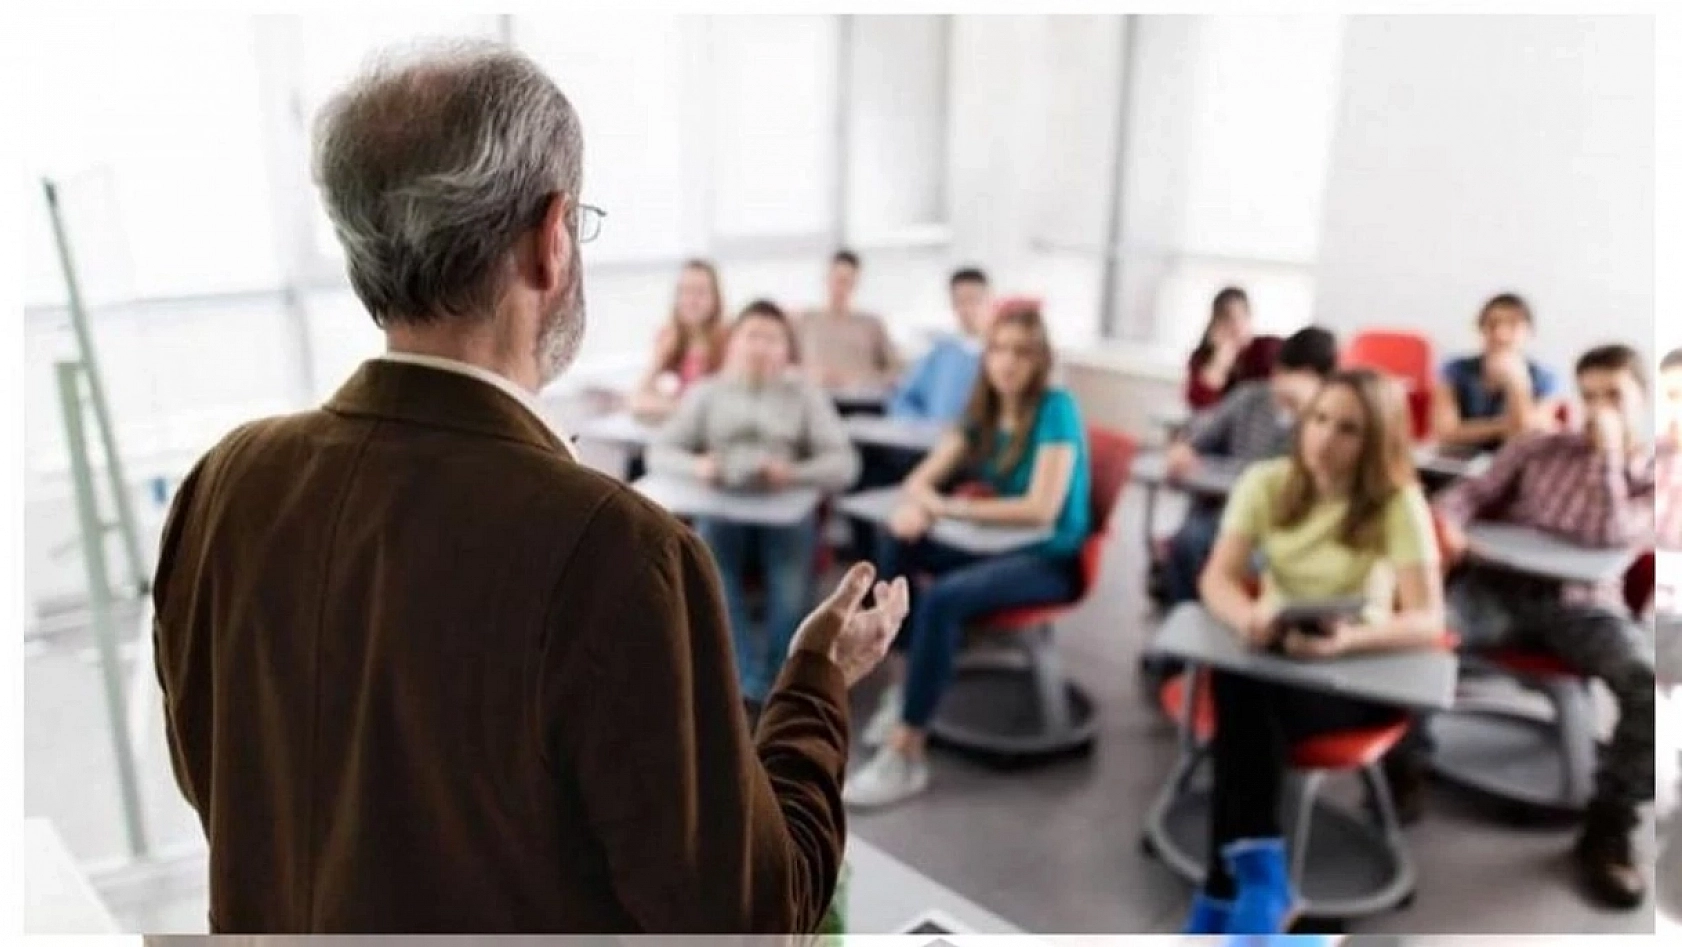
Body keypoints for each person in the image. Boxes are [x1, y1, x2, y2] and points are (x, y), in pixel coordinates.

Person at [150, 42, 910, 934]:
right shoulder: (618, 551)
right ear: (552, 239)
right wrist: (817, 680)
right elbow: (750, 920)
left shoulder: (223, 485)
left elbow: (225, 784)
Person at [1182, 370, 1445, 935]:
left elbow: (1429, 619)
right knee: (1241, 686)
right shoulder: (1265, 481)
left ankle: (1223, 893)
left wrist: (1346, 640)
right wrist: (1248, 616)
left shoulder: (1398, 501)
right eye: (1320, 420)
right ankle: (1259, 887)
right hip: (1277, 653)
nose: (1325, 438)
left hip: (1358, 672)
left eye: (1349, 429)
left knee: (1239, 707)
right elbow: (1216, 579)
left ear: (1375, 442)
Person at [1433, 343, 1656, 910]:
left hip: (1582, 606)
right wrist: (1450, 526)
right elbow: (1467, 493)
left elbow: (1612, 533)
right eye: (1589, 396)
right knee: (1418, 633)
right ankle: (1404, 768)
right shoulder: (1539, 446)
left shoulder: (1656, 473)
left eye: (1613, 396)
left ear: (1642, 400)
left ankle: (1608, 830)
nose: (1598, 408)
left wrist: (1608, 455)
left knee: (1645, 682)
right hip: (1498, 591)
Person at [842, 306, 1092, 808]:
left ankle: (906, 751)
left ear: (1040, 360)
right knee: (895, 538)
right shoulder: (982, 410)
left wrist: (947, 507)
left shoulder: (1056, 408)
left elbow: (1040, 508)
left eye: (1021, 352)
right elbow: (920, 479)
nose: (1008, 363)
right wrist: (919, 508)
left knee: (943, 600)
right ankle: (903, 687)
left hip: (1049, 560)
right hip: (990, 545)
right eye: (998, 350)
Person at [647, 300, 861, 706]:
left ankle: (785, 680)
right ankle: (747, 682)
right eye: (752, 336)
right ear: (734, 343)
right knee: (709, 574)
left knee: (788, 586)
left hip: (784, 508)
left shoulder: (805, 396)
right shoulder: (707, 392)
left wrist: (792, 473)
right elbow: (660, 451)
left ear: (787, 349)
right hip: (721, 505)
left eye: (772, 339)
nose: (760, 347)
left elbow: (844, 464)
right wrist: (699, 465)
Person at [1160, 326, 1341, 607]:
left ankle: (1234, 619)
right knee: (1188, 542)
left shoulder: (1328, 420)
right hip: (1225, 511)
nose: (1286, 384)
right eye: (1284, 372)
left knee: (1256, 564)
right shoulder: (1249, 397)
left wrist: (1307, 413)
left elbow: (1323, 478)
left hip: (1282, 525)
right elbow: (1199, 438)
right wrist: (1184, 450)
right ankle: (1186, 618)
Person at [1431, 293, 1565, 450]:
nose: (1501, 335)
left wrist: (1516, 381)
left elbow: (1526, 436)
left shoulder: (1545, 377)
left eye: (1513, 325)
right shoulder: (1455, 369)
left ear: (1529, 331)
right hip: (1464, 456)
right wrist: (1509, 425)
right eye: (1492, 325)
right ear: (1480, 329)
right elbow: (1446, 433)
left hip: (1517, 458)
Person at [887, 267, 993, 424]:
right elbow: (903, 402)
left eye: (974, 300)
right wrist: (923, 427)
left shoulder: (1003, 353)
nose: (967, 309)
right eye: (959, 302)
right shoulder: (939, 354)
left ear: (989, 300)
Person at [628, 259, 728, 423]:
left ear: (715, 298)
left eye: (700, 292)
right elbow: (638, 399)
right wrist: (661, 357)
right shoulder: (669, 338)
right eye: (685, 291)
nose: (691, 300)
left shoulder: (729, 341)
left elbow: (720, 406)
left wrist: (672, 405)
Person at [797, 250, 900, 393]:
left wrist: (858, 380)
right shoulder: (806, 321)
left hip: (858, 399)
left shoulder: (871, 325)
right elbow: (786, 367)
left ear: (855, 284)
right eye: (837, 280)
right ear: (826, 279)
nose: (840, 288)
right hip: (814, 397)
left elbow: (895, 372)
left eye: (847, 282)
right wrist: (811, 376)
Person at [1185, 287, 1283, 411]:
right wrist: (1219, 363)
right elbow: (1199, 407)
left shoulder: (1270, 348)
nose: (1232, 326)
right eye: (1224, 320)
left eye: (1237, 318)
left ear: (1249, 317)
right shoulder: (1203, 356)